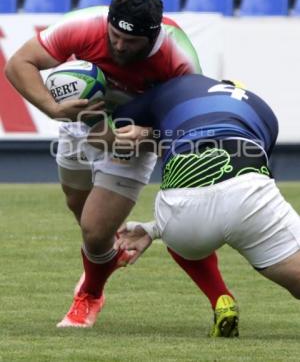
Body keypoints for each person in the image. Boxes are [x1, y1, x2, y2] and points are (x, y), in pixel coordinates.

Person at [5, 0, 237, 336]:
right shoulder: (83, 25)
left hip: (134, 135)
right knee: (78, 208)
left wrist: (146, 136)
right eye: (114, 36)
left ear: (152, 37)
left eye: (131, 43)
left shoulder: (179, 58)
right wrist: (53, 109)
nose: (119, 46)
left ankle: (90, 294)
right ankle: (105, 256)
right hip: (81, 122)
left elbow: (190, 122)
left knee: (94, 231)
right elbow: (19, 63)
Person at [90, 74, 300, 336]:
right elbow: (235, 179)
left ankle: (220, 298)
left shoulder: (178, 85)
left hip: (182, 217)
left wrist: (157, 228)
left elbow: (117, 123)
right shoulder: (264, 110)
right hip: (249, 197)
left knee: (185, 234)